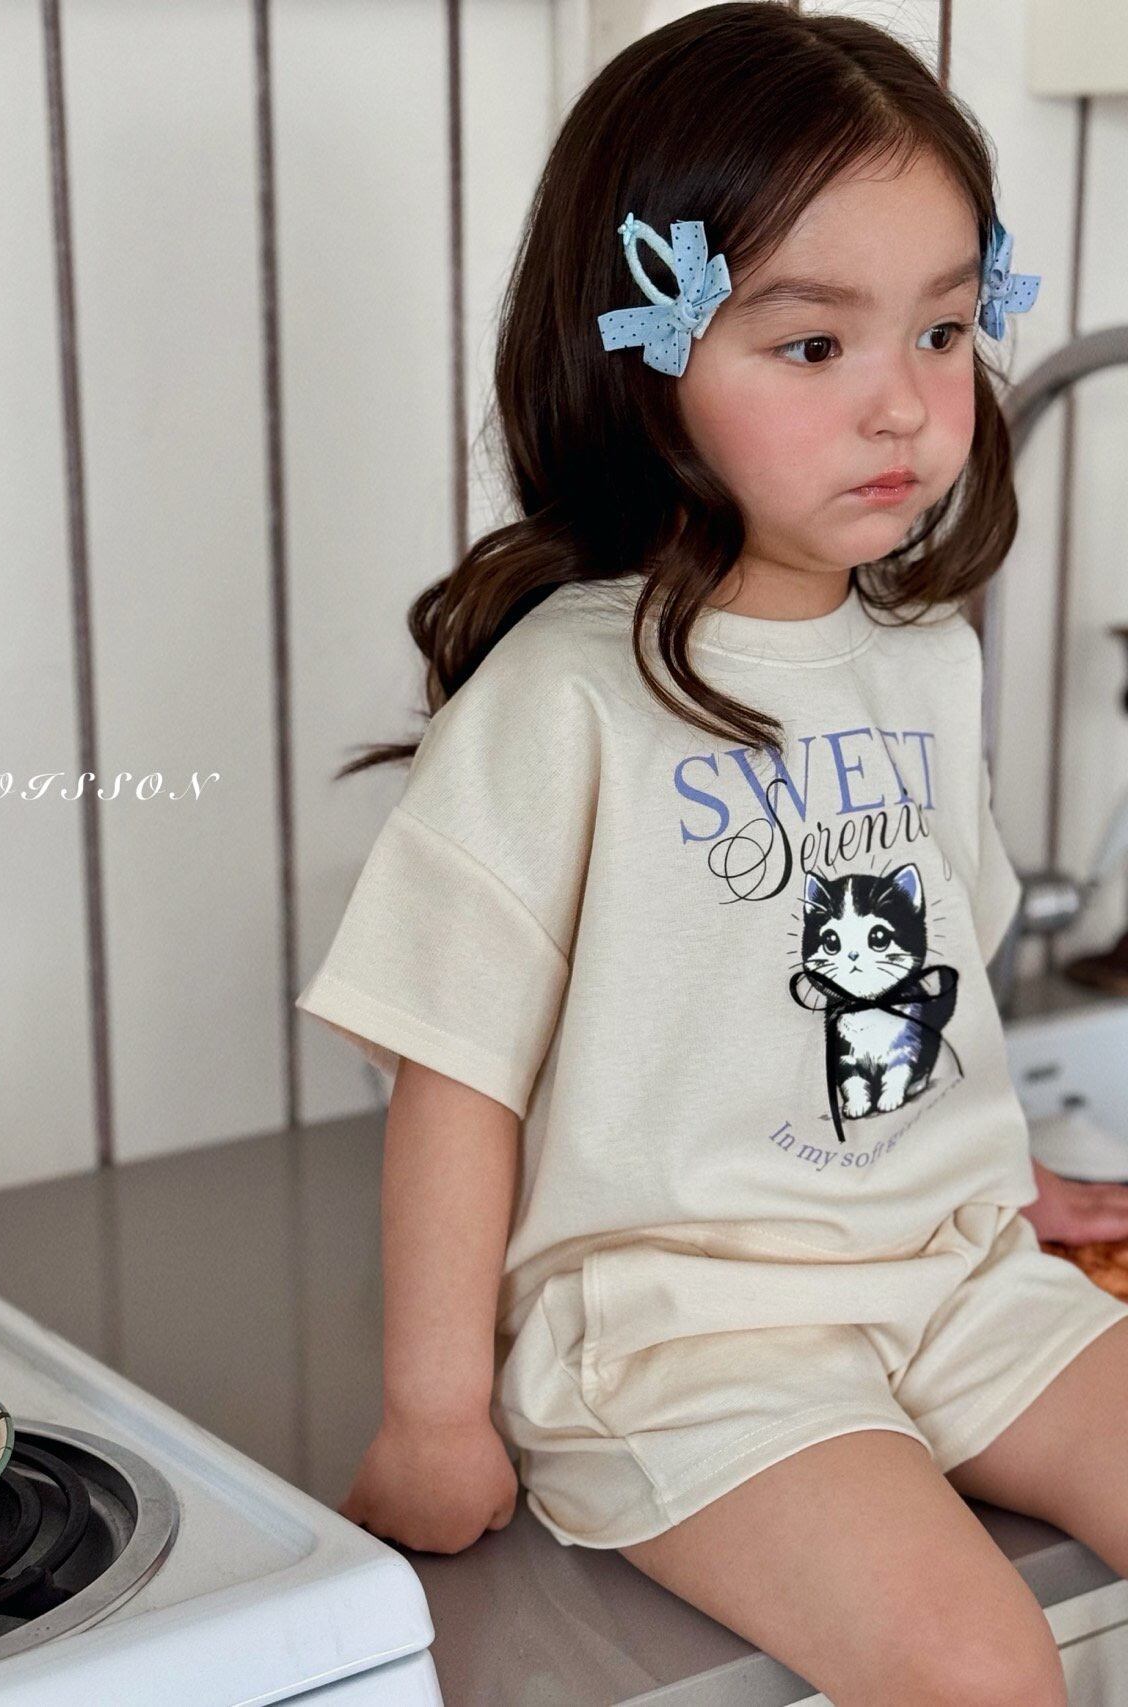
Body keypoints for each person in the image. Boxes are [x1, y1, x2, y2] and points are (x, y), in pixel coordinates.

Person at [295, 7, 1128, 1701]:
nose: (905, 406)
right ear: (645, 358)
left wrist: (1004, 1176)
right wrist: (434, 1415)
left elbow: (936, 976)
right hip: (694, 1334)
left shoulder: (925, 654)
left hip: (952, 1272)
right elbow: (456, 1075)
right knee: (980, 1665)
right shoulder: (564, 697)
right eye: (814, 346)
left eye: (944, 330)